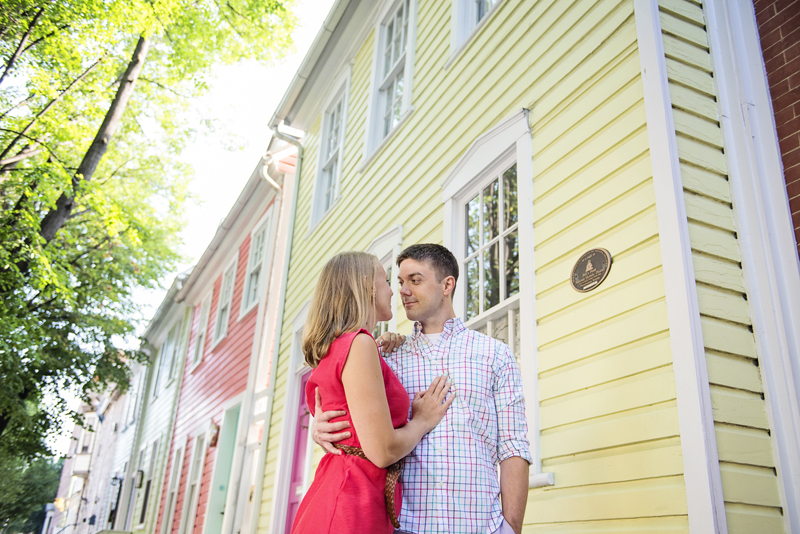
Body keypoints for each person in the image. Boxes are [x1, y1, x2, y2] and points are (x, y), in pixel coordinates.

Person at [313, 244, 532, 534]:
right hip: (404, 526)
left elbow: (513, 445)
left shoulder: (496, 355)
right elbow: (356, 422)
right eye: (399, 282)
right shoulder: (386, 357)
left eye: (414, 280)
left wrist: (511, 526)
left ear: (446, 285)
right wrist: (317, 427)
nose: (402, 290)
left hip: (480, 525)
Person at [290, 251, 455, 534]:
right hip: (351, 503)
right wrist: (423, 421)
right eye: (387, 280)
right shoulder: (358, 343)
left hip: (344, 492)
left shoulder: (344, 345)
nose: (394, 291)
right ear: (368, 286)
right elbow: (382, 451)